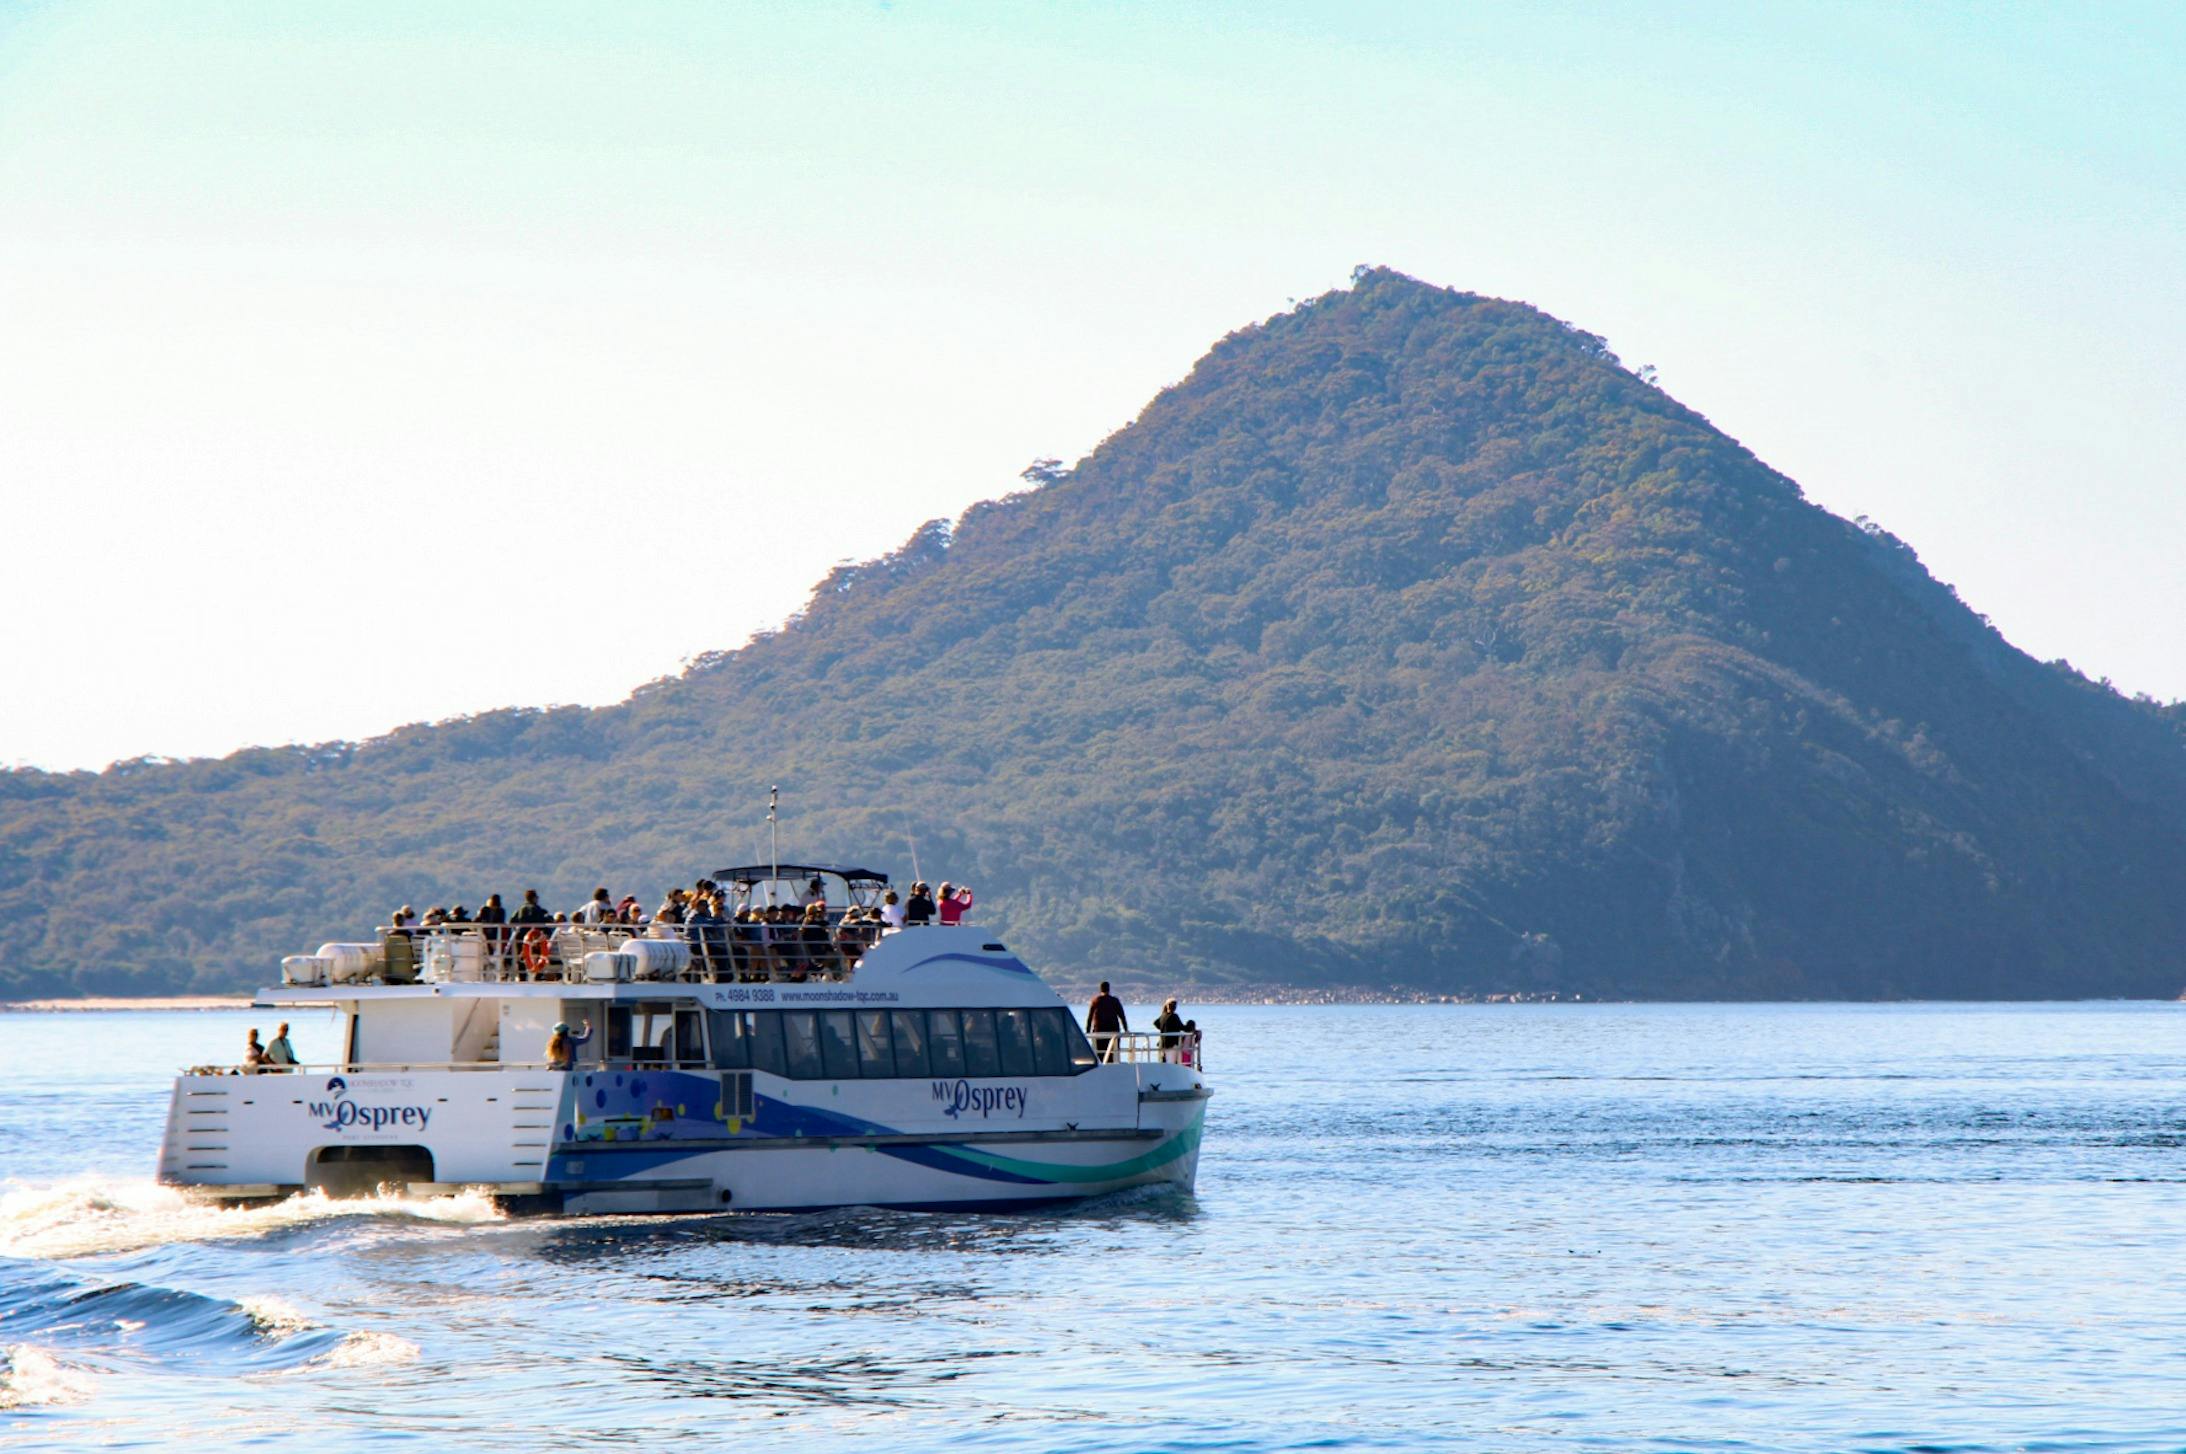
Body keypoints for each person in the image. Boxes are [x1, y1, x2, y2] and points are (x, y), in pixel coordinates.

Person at [1085, 981, 1128, 1062]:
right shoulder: (1114, 1001)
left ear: (1100, 989)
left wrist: (1087, 1031)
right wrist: (1126, 1029)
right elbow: (1122, 1016)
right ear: (1109, 989)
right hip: (1113, 1032)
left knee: (1100, 1056)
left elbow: (1089, 1018)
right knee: (1113, 1056)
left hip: (1099, 1033)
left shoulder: (1095, 1001)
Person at [476, 893, 508, 972]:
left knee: (486, 955)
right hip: (495, 936)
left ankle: (486, 970)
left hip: (486, 936)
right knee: (495, 955)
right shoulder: (501, 911)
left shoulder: (484, 909)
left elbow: (477, 920)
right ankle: (499, 970)